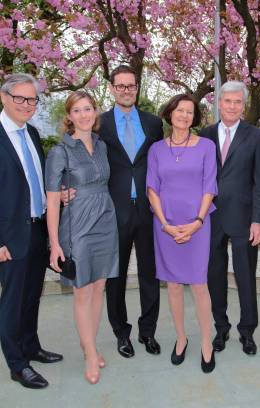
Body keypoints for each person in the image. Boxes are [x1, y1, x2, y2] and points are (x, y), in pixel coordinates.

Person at [0, 74, 62, 389]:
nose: (26, 105)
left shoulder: (32, 133)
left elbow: (36, 181)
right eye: (19, 98)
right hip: (9, 238)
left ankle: (31, 347)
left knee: (32, 295)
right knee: (13, 301)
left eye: (32, 99)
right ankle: (17, 364)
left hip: (37, 230)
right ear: (4, 97)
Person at [65, 65, 164, 358]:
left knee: (150, 274)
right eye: (120, 86)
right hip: (112, 212)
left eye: (130, 85)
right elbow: (77, 154)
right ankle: (122, 333)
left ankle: (148, 332)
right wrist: (64, 186)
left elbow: (160, 164)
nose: (126, 90)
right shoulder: (99, 124)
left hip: (148, 210)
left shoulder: (154, 123)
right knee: (115, 278)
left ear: (137, 87)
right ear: (111, 88)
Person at [45, 91, 118, 384]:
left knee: (99, 286)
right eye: (77, 111)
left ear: (95, 111)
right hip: (78, 223)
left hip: (106, 218)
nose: (84, 115)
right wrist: (54, 243)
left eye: (88, 109)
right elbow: (52, 200)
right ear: (70, 116)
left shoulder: (102, 146)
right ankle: (89, 352)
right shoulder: (60, 151)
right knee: (82, 291)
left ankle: (90, 342)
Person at [146, 94, 218, 373]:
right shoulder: (156, 150)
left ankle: (206, 343)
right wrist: (164, 223)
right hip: (165, 226)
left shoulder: (206, 147)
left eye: (190, 112)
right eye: (180, 110)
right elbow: (152, 188)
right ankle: (180, 338)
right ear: (170, 113)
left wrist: (198, 221)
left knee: (199, 285)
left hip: (197, 225)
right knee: (173, 286)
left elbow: (209, 186)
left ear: (194, 118)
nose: (185, 115)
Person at [199, 81, 260, 355]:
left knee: (246, 278)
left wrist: (258, 220)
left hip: (244, 219)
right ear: (219, 102)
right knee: (214, 277)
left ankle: (247, 331)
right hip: (211, 218)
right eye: (227, 101)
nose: (232, 106)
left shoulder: (256, 136)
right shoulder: (204, 135)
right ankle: (221, 328)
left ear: (243, 105)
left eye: (238, 102)